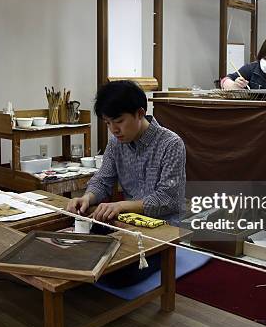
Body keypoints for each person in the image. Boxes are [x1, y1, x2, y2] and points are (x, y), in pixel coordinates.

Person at [66, 80, 186, 225]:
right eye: (108, 123)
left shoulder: (170, 144)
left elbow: (167, 198)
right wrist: (87, 198)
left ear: (140, 113)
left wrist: (121, 206)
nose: (113, 129)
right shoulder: (115, 143)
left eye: (119, 121)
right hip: (130, 223)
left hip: (166, 226)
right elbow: (103, 181)